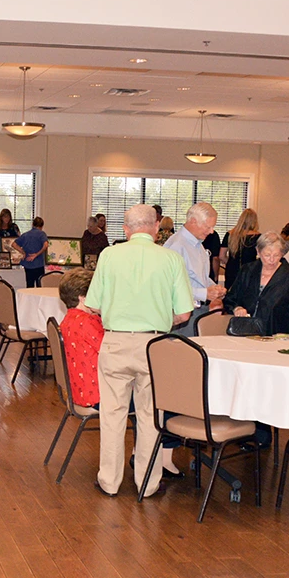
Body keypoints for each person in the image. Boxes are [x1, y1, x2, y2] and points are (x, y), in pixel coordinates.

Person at [85, 204, 194, 498]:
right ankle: (147, 483)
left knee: (113, 415)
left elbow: (92, 305)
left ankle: (109, 481)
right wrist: (159, 318)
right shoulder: (171, 259)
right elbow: (184, 314)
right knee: (149, 416)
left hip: (116, 342)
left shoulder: (109, 255)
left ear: (125, 229)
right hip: (155, 346)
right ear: (156, 228)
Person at [223, 231, 289, 336]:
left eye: (276, 255)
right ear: (258, 252)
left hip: (277, 335)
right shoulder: (247, 271)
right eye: (267, 255)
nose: (272, 260)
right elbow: (230, 298)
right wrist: (237, 308)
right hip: (245, 333)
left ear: (282, 254)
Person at [164, 202, 226, 337]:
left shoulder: (198, 245)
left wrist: (214, 288)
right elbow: (169, 287)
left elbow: (199, 277)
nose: (211, 231)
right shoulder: (176, 246)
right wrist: (204, 294)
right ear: (193, 221)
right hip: (182, 315)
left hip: (197, 311)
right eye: (208, 226)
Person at [57, 268, 103, 409]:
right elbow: (111, 352)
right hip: (97, 396)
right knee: (152, 396)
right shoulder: (88, 322)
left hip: (78, 392)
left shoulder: (68, 320)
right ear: (83, 298)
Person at [220, 208, 260, 290]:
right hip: (250, 272)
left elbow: (221, 256)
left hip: (232, 271)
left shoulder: (230, 234)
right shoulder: (257, 236)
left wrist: (230, 262)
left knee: (230, 296)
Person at [13, 217, 49, 288]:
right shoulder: (42, 234)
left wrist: (23, 252)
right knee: (39, 286)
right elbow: (45, 245)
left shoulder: (25, 235)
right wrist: (37, 254)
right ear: (41, 226)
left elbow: (14, 244)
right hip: (39, 264)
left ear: (32, 224)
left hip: (28, 264)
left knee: (29, 286)